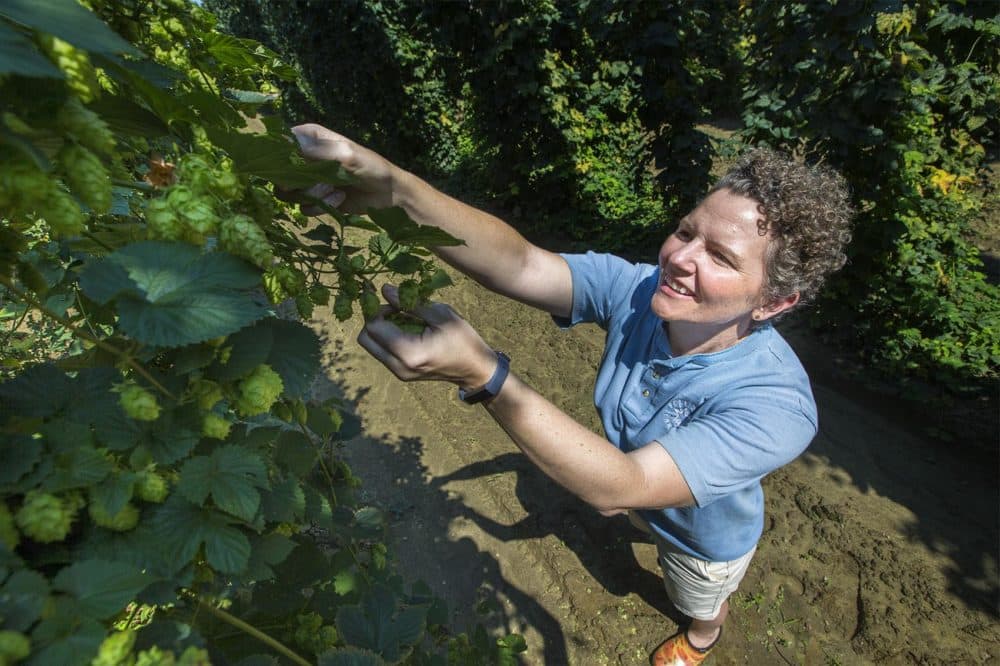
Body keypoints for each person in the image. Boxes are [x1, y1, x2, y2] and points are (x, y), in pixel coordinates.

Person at [290, 123, 853, 665]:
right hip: (642, 498)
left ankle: (703, 637)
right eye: (686, 231)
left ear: (774, 304)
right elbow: (521, 263)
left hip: (703, 539)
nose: (679, 258)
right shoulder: (638, 292)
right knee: (640, 520)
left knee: (695, 596)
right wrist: (395, 188)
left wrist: (486, 375)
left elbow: (621, 486)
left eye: (721, 258)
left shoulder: (776, 405)